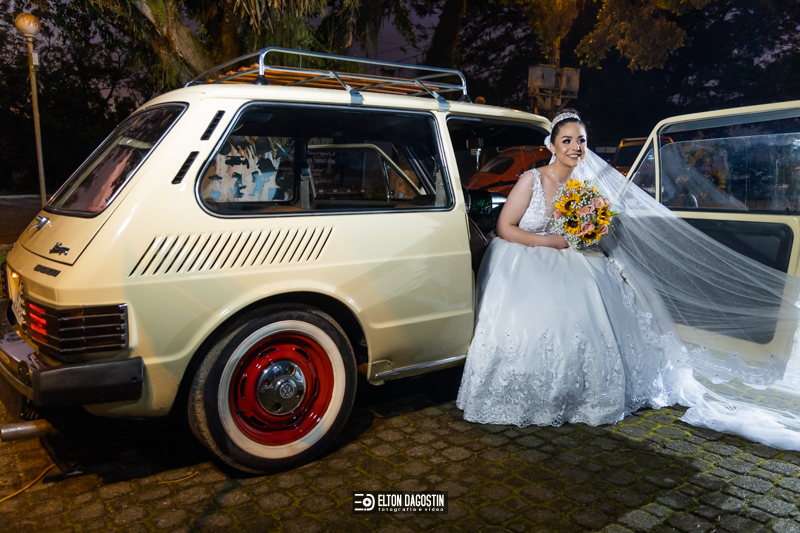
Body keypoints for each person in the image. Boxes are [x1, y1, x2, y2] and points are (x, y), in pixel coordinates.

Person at [457, 110, 800, 450]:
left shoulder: (586, 186)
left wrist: (589, 231)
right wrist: (551, 242)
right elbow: (505, 227)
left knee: (602, 296)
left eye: (581, 141)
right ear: (553, 145)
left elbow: (596, 227)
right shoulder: (531, 180)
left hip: (574, 254)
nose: (575, 147)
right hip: (525, 254)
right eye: (567, 141)